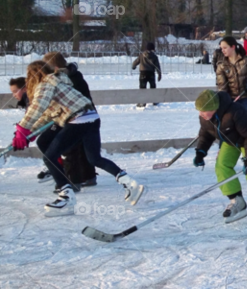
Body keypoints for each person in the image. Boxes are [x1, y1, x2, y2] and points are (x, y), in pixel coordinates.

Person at [12, 61, 144, 215]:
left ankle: (66, 197)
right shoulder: (60, 83)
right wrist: (29, 133)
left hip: (77, 120)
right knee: (94, 158)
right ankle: (130, 184)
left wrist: (22, 128)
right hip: (92, 117)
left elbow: (37, 107)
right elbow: (48, 114)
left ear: (32, 76)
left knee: (49, 157)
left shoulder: (46, 84)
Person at [193, 89, 247, 222]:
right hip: (230, 141)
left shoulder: (236, 112)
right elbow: (205, 134)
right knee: (222, 166)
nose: (201, 114)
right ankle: (237, 201)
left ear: (214, 107)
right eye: (199, 111)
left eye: (204, 111)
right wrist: (200, 152)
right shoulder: (205, 117)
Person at [42, 52, 97, 188]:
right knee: (81, 147)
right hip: (86, 116)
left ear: (54, 66)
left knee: (70, 148)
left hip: (76, 117)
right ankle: (88, 176)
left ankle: (73, 180)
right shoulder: (73, 75)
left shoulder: (68, 78)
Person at [215, 36, 247, 114]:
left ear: (233, 47)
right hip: (230, 100)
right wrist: (224, 101)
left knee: (246, 122)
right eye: (221, 48)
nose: (222, 50)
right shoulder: (221, 65)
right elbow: (222, 86)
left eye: (225, 48)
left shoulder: (246, 60)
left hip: (246, 98)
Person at [132, 42, 162, 109]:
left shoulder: (141, 55)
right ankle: (154, 101)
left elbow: (135, 62)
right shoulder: (154, 57)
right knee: (153, 87)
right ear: (152, 49)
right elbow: (157, 66)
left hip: (143, 73)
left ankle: (142, 102)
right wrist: (159, 74)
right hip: (151, 73)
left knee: (142, 88)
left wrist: (133, 66)